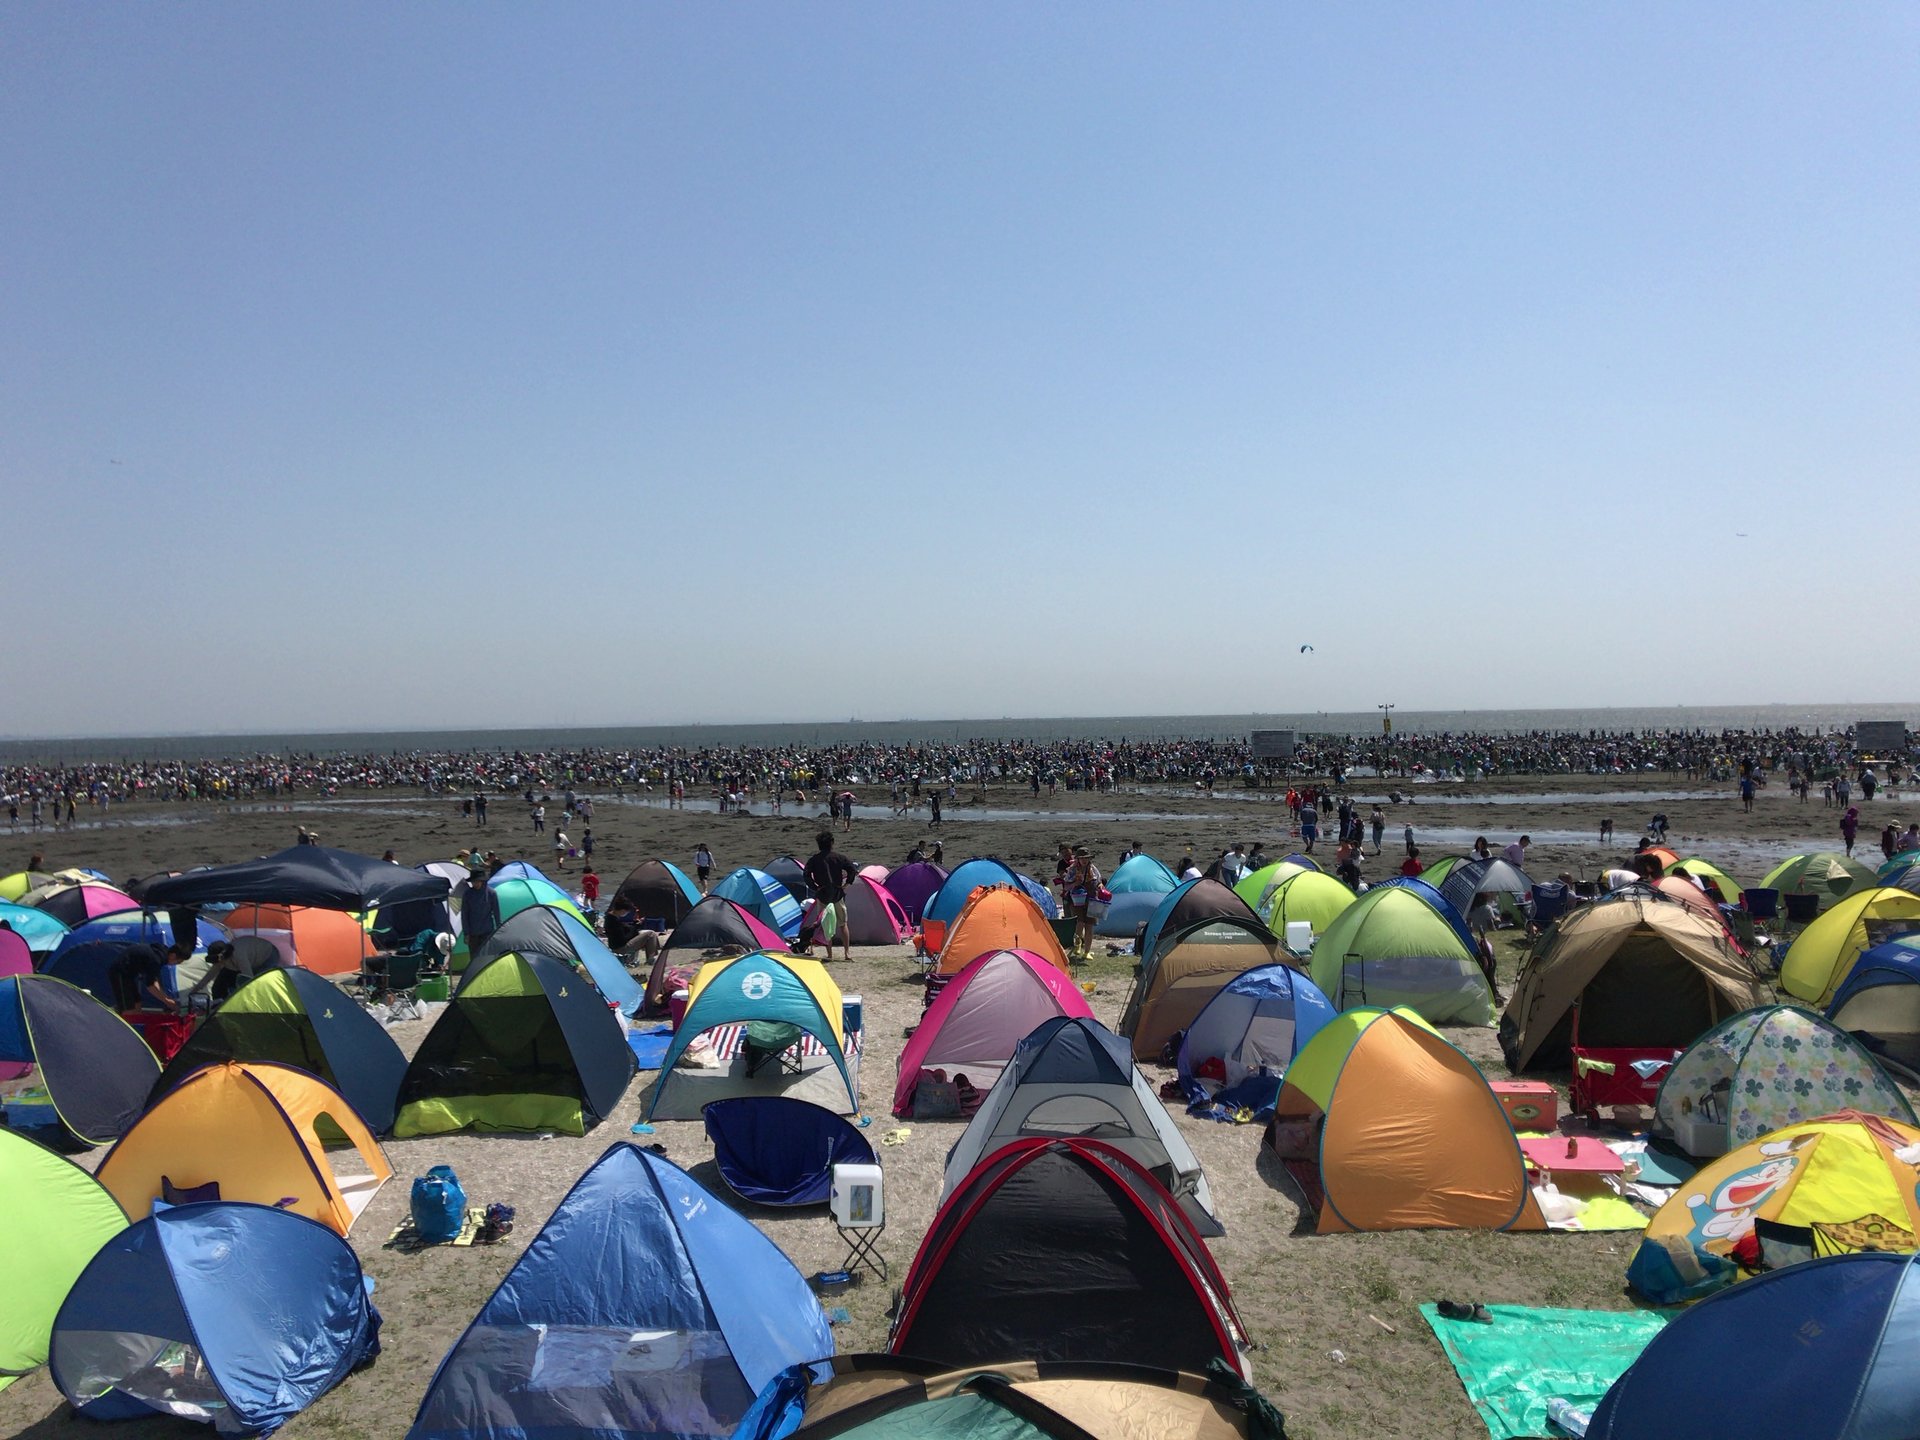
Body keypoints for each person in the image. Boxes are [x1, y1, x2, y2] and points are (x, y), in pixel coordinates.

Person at [802, 831, 858, 962]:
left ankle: (830, 954)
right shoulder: (838, 857)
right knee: (843, 924)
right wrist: (847, 883)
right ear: (831, 843)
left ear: (819, 844)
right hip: (837, 893)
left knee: (826, 924)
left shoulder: (814, 859)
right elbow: (851, 868)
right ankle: (847, 953)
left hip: (823, 894)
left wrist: (814, 887)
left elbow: (806, 874)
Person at [110, 940, 178, 1012]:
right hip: (120, 972)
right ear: (173, 955)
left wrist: (166, 998)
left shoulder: (159, 954)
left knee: (137, 1004)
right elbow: (150, 985)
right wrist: (167, 1001)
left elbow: (154, 981)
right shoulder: (156, 959)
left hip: (128, 975)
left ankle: (122, 1011)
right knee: (129, 1008)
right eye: (178, 961)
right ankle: (119, 1014)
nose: (175, 964)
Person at [1065, 845, 1102, 963]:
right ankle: (1077, 945)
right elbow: (1066, 886)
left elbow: (1099, 882)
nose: (1085, 860)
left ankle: (1087, 952)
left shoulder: (1093, 869)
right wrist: (1075, 883)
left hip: (1092, 898)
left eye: (1086, 858)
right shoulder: (1072, 870)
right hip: (1078, 900)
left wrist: (1101, 888)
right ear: (1078, 859)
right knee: (1080, 923)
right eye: (1082, 858)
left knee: (1090, 926)